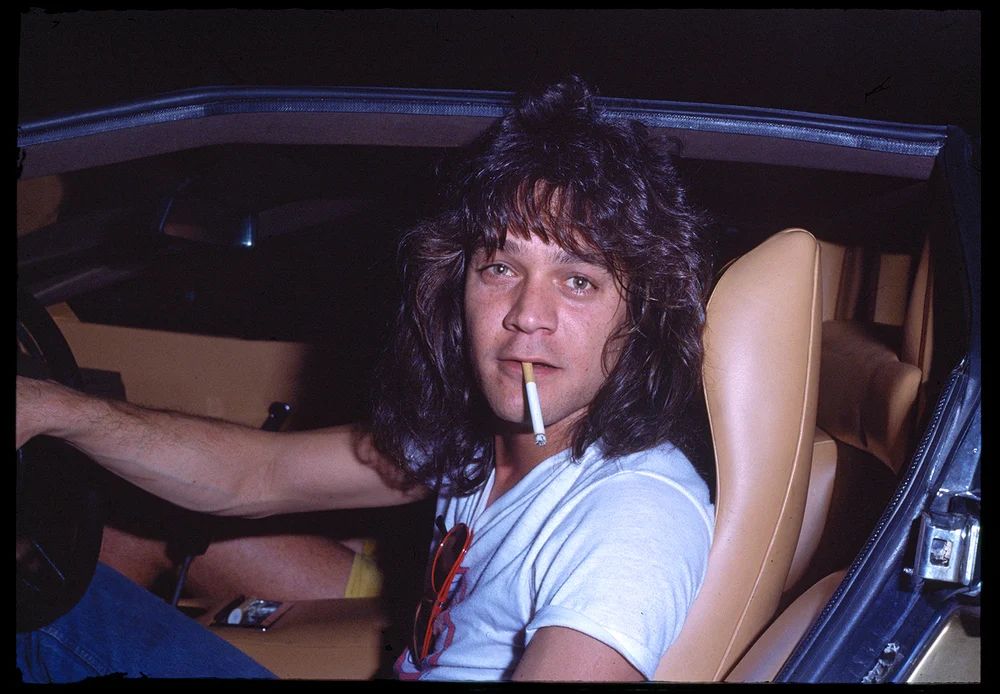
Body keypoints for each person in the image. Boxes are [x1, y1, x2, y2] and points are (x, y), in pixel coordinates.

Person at [15, 75, 715, 682]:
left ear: (642, 315)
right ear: (458, 287)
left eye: (580, 281)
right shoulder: (479, 444)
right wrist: (58, 412)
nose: (527, 316)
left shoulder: (634, 512)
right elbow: (257, 476)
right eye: (500, 268)